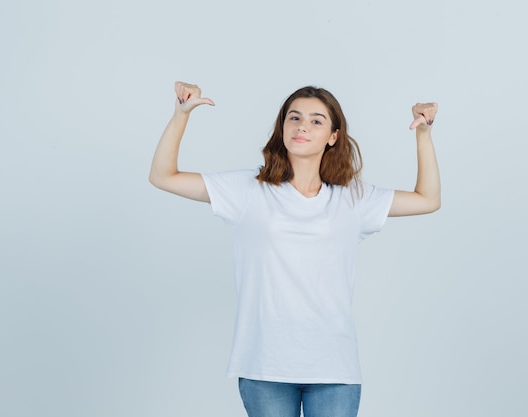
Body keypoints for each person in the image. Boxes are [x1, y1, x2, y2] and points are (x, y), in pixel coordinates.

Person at [149, 81, 440, 417]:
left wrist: (424, 134)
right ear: (282, 128)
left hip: (333, 367)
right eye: (294, 117)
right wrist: (181, 114)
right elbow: (163, 176)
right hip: (264, 366)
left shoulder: (354, 198)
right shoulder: (247, 190)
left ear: (333, 135)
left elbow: (428, 200)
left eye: (317, 120)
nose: (303, 125)